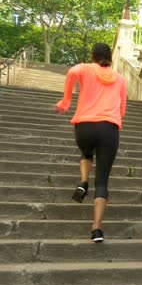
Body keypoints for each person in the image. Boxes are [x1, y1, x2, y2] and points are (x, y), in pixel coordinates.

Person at [55, 43, 127, 243]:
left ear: (93, 56)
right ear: (110, 57)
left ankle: (83, 181)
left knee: (87, 153)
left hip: (84, 127)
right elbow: (122, 110)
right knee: (102, 181)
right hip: (108, 129)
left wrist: (66, 101)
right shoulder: (120, 79)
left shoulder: (84, 69)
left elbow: (71, 72)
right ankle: (97, 229)